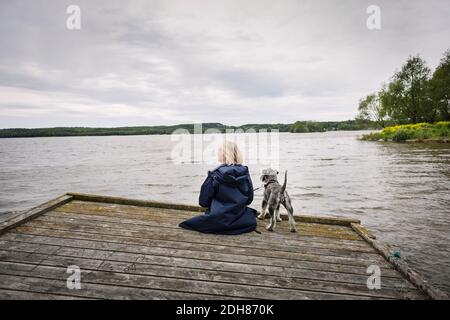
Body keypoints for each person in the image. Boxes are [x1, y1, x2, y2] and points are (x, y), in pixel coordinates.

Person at [179, 141, 257, 235]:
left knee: (186, 224)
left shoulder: (215, 175)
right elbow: (249, 199)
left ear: (224, 154)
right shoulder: (245, 173)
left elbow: (203, 202)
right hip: (240, 219)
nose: (217, 153)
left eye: (219, 151)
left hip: (218, 219)